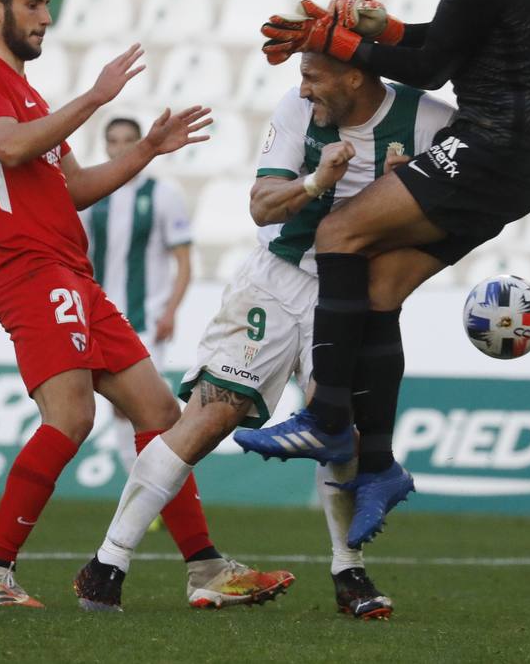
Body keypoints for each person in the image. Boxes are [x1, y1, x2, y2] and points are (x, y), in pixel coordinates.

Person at [240, 0, 530, 551]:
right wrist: (377, 30)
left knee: (336, 231)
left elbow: (427, 72)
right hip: (515, 155)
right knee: (379, 286)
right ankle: (379, 466)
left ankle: (326, 421)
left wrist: (332, 38)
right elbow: (434, 42)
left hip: (497, 148)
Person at [0, 0, 291, 611]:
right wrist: (97, 97)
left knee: (162, 413)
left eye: (46, 4)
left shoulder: (29, 93)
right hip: (27, 267)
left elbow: (75, 187)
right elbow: (11, 147)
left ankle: (205, 571)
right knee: (72, 416)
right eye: (33, 4)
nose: (45, 17)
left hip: (71, 272)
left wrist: (146, 149)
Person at [75, 50, 454, 617]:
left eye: (313, 76)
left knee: (339, 427)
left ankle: (349, 574)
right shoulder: (299, 111)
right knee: (209, 417)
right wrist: (313, 182)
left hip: (350, 295)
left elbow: (472, 188)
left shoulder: (431, 121)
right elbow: (261, 205)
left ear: (355, 76)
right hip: (275, 284)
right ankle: (106, 565)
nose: (302, 89)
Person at [79, 116, 192, 474]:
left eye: (129, 139)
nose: (121, 146)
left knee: (154, 407)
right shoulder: (91, 198)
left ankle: (164, 484)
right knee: (119, 406)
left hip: (146, 317)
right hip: (103, 317)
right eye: (114, 140)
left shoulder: (163, 194)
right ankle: (140, 485)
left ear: (141, 142)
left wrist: (171, 311)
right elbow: (78, 257)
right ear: (105, 145)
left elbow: (184, 262)